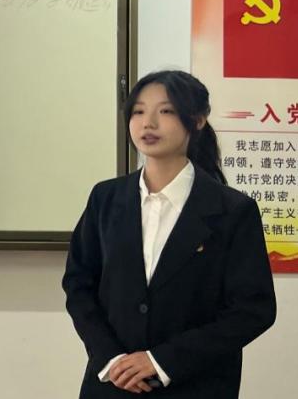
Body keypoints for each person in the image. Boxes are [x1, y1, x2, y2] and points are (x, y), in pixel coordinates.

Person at [62, 70, 276, 398]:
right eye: (138, 111)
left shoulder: (232, 210)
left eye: (166, 111)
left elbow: (253, 310)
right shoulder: (105, 198)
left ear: (198, 120)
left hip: (196, 385)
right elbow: (79, 284)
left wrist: (161, 361)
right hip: (112, 385)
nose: (148, 123)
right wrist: (111, 358)